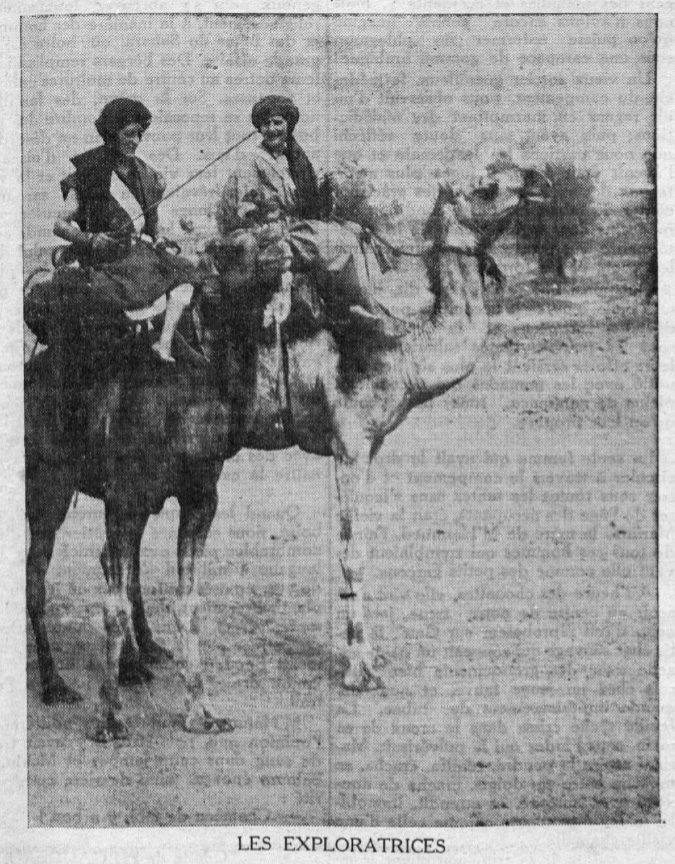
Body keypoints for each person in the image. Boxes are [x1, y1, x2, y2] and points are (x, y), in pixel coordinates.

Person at [215, 94, 394, 334]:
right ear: (259, 128)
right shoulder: (252, 161)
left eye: (277, 122)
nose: (272, 129)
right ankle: (361, 309)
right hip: (271, 233)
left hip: (295, 226)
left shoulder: (293, 160)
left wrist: (324, 187)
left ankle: (360, 304)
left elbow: (307, 202)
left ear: (288, 125)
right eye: (266, 124)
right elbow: (246, 210)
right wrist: (266, 214)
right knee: (342, 243)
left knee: (351, 232)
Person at [53, 97, 198, 362]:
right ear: (112, 134)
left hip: (141, 254)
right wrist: (90, 238)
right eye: (129, 134)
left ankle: (164, 343)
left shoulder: (146, 173)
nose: (136, 141)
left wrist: (160, 239)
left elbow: (153, 226)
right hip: (107, 259)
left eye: (139, 134)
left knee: (187, 272)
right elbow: (60, 225)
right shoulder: (88, 173)